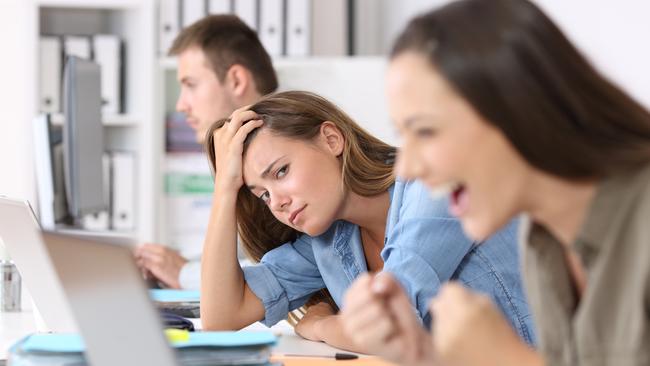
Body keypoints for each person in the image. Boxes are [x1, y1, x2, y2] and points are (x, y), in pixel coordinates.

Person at [341, 0, 650, 365]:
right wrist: (421, 354)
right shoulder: (542, 241)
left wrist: (507, 359)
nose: (406, 170)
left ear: (519, 110)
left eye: (425, 131)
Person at [199, 90, 533, 351]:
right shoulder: (328, 241)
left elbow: (389, 327)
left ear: (332, 139)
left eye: (281, 172)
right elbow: (221, 318)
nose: (278, 202)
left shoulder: (434, 183)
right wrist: (225, 190)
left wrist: (320, 325)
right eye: (263, 195)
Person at [134, 14, 278, 289]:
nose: (181, 105)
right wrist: (175, 266)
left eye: (191, 85)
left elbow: (278, 270)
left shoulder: (282, 154)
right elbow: (243, 257)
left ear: (236, 80)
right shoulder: (240, 151)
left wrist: (185, 273)